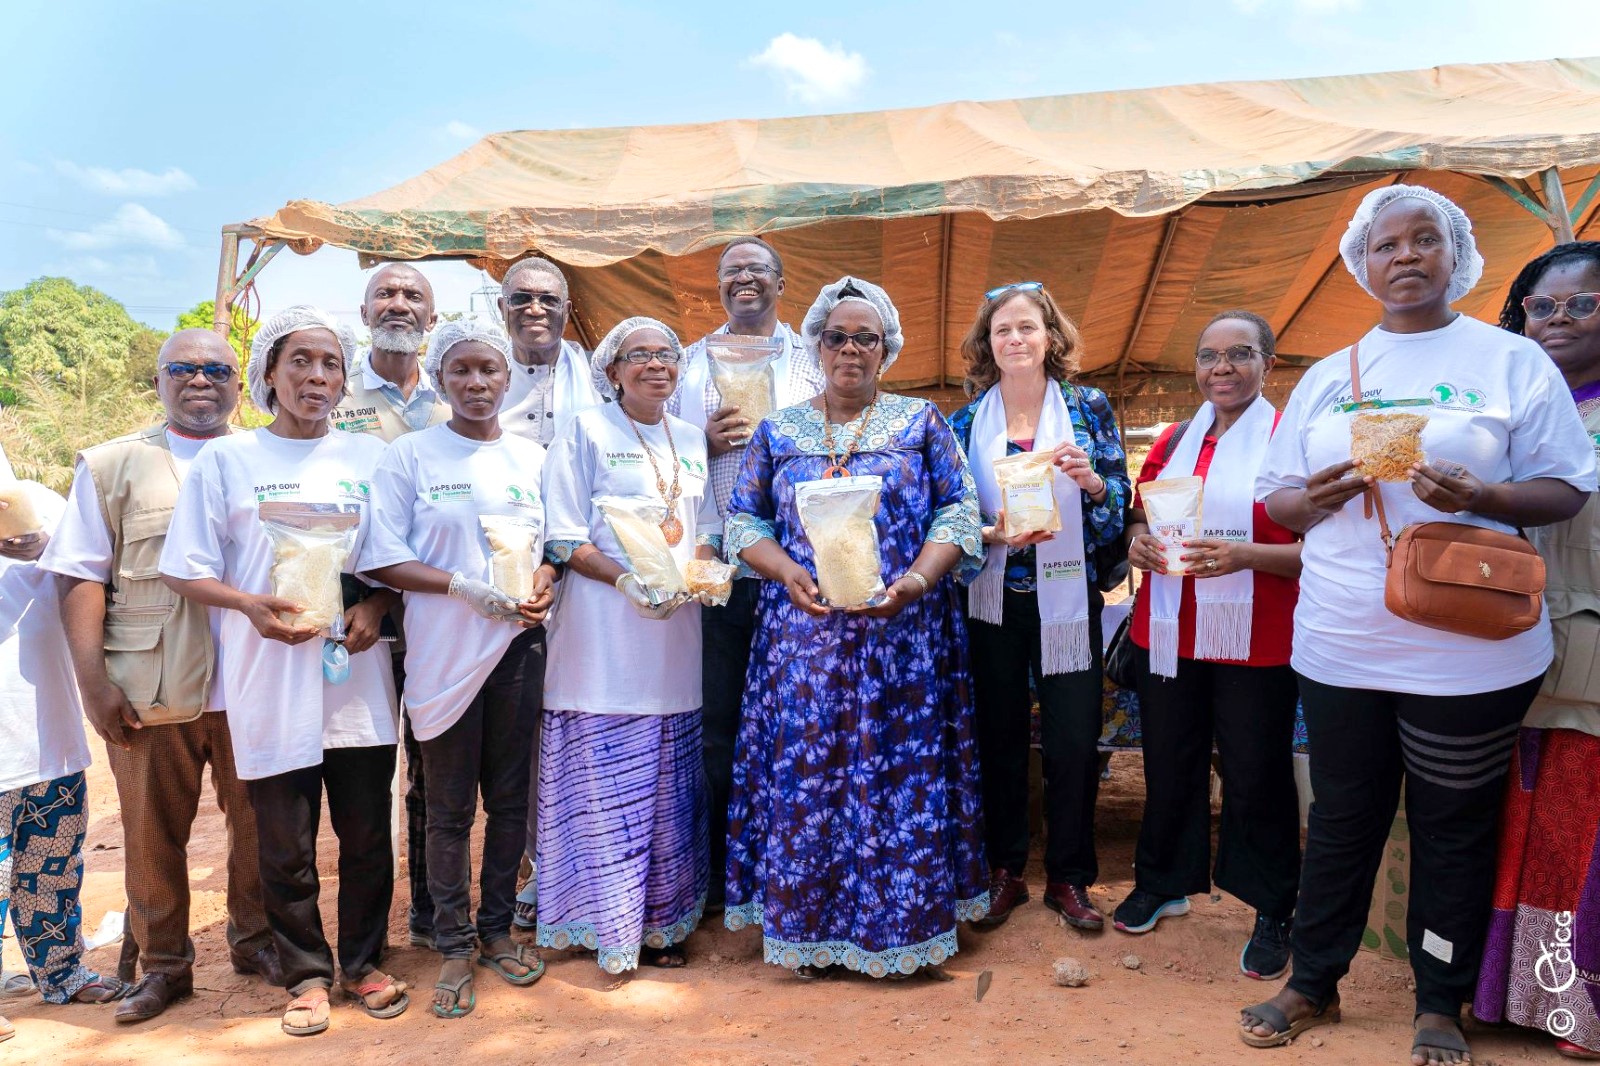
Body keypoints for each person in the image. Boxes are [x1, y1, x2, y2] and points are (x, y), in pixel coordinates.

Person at [1240, 186, 1595, 1066]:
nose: (1404, 256)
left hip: (1470, 652)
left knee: (1453, 825)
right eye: (1385, 245)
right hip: (1342, 644)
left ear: (1454, 255)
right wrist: (1310, 501)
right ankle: (1313, 979)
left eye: (1423, 240)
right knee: (1344, 819)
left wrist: (1486, 496)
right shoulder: (1329, 376)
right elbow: (1276, 496)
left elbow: (1565, 486)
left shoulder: (1511, 361)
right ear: (1363, 264)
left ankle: (1438, 998)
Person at [724, 276, 990, 979]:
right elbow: (742, 520)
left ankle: (903, 928)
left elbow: (960, 514)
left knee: (898, 776)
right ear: (817, 346)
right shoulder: (778, 431)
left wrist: (917, 583)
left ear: (886, 349)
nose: (850, 348)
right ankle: (807, 932)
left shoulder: (920, 423)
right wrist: (785, 571)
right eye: (837, 336)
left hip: (900, 639)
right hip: (804, 642)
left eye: (864, 338)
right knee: (810, 774)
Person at [159, 306, 406, 1037]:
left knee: (366, 835)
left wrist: (382, 606)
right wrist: (248, 606)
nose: (317, 376)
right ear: (269, 373)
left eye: (330, 363)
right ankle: (304, 972)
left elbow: (391, 557)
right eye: (300, 361)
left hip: (355, 677)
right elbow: (185, 569)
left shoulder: (369, 459)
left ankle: (362, 962)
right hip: (268, 673)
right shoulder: (229, 462)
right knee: (285, 842)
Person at [41, 329, 280, 1024]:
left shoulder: (266, 457)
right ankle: (164, 967)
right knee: (149, 836)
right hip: (149, 686)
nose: (200, 379)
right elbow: (81, 575)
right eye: (183, 368)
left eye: (217, 369)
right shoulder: (114, 465)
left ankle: (256, 940)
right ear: (158, 382)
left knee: (263, 826)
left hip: (254, 683)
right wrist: (93, 684)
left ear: (242, 384)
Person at [363, 318, 555, 1018]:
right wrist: (456, 585)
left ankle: (499, 927)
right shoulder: (410, 456)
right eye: (463, 371)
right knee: (446, 809)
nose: (477, 383)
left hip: (517, 650)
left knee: (510, 802)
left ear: (510, 380)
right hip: (442, 656)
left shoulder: (534, 458)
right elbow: (379, 554)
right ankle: (451, 942)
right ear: (441, 377)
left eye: (490, 371)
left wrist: (544, 577)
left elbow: (556, 542)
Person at [1120, 311, 1303, 974]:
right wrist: (1137, 539)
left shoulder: (1293, 440)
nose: (1221, 367)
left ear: (1268, 364)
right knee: (1169, 760)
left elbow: (1328, 552)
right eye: (1208, 355)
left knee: (1256, 773)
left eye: (1239, 353)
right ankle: (1164, 881)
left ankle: (1273, 905)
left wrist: (1246, 556)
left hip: (1258, 639)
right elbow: (1144, 513)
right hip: (1169, 633)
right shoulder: (1172, 438)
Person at [945, 281, 1130, 933]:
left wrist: (1093, 481)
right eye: (1002, 330)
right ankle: (1004, 872)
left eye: (1027, 327)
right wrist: (990, 533)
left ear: (1051, 337)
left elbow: (1116, 514)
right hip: (991, 602)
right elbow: (950, 518)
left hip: (1067, 601)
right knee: (995, 738)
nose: (1015, 339)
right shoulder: (966, 422)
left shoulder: (1087, 407)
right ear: (986, 345)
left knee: (1074, 741)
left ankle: (1070, 877)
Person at [535, 317, 718, 973]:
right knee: (605, 781)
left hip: (675, 639)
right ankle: (604, 926)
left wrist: (702, 569)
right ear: (612, 371)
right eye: (637, 355)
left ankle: (663, 926)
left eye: (665, 354)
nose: (655, 364)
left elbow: (705, 528)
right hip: (601, 640)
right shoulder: (583, 430)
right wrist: (625, 581)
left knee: (668, 782)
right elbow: (562, 534)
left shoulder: (691, 438)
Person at [668, 236, 824, 912]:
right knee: (720, 725)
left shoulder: (813, 363)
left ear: (782, 282)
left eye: (758, 269)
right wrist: (697, 441)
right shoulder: (686, 365)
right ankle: (719, 878)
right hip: (716, 570)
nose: (745, 281)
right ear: (719, 286)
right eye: (732, 271)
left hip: (794, 569)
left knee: (798, 722)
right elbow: (655, 455)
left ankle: (790, 869)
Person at [1473, 240, 1600, 1061]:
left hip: (1590, 648)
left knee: (1581, 825)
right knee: (1521, 820)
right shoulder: (1507, 408)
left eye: (1581, 303)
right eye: (1540, 306)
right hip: (1506, 643)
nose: (1557, 319)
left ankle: (1578, 1008)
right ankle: (1510, 994)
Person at [496, 255, 605, 931]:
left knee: (567, 721)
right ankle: (518, 870)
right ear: (500, 308)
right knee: (511, 731)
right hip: (492, 581)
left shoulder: (595, 376)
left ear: (569, 309)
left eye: (550, 299)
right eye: (522, 298)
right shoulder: (475, 373)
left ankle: (563, 863)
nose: (536, 309)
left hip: (579, 579)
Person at [0, 468, 128, 1042]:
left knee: (52, 864)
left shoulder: (46, 504)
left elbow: (92, 575)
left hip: (48, 729)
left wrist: (52, 548)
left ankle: (60, 972)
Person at [332, 264, 450, 439]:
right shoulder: (334, 396)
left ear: (431, 321)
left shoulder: (453, 396)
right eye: (384, 294)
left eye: (414, 297)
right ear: (364, 314)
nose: (399, 306)